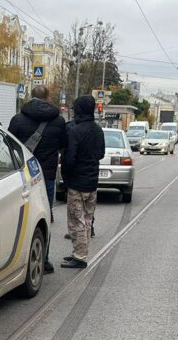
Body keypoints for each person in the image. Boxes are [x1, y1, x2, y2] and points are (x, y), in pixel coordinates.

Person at [9, 85, 68, 274]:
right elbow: (62, 145)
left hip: (22, 177)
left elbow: (9, 147)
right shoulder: (58, 121)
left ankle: (16, 259)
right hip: (47, 177)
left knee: (17, 218)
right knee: (43, 216)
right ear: (48, 99)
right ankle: (44, 259)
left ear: (30, 97)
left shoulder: (17, 119)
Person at [60, 95, 104, 269]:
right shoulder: (98, 130)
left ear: (78, 110)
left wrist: (67, 175)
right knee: (87, 219)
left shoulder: (75, 131)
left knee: (76, 219)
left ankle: (79, 256)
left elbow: (69, 158)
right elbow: (101, 153)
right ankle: (80, 252)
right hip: (92, 181)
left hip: (77, 182)